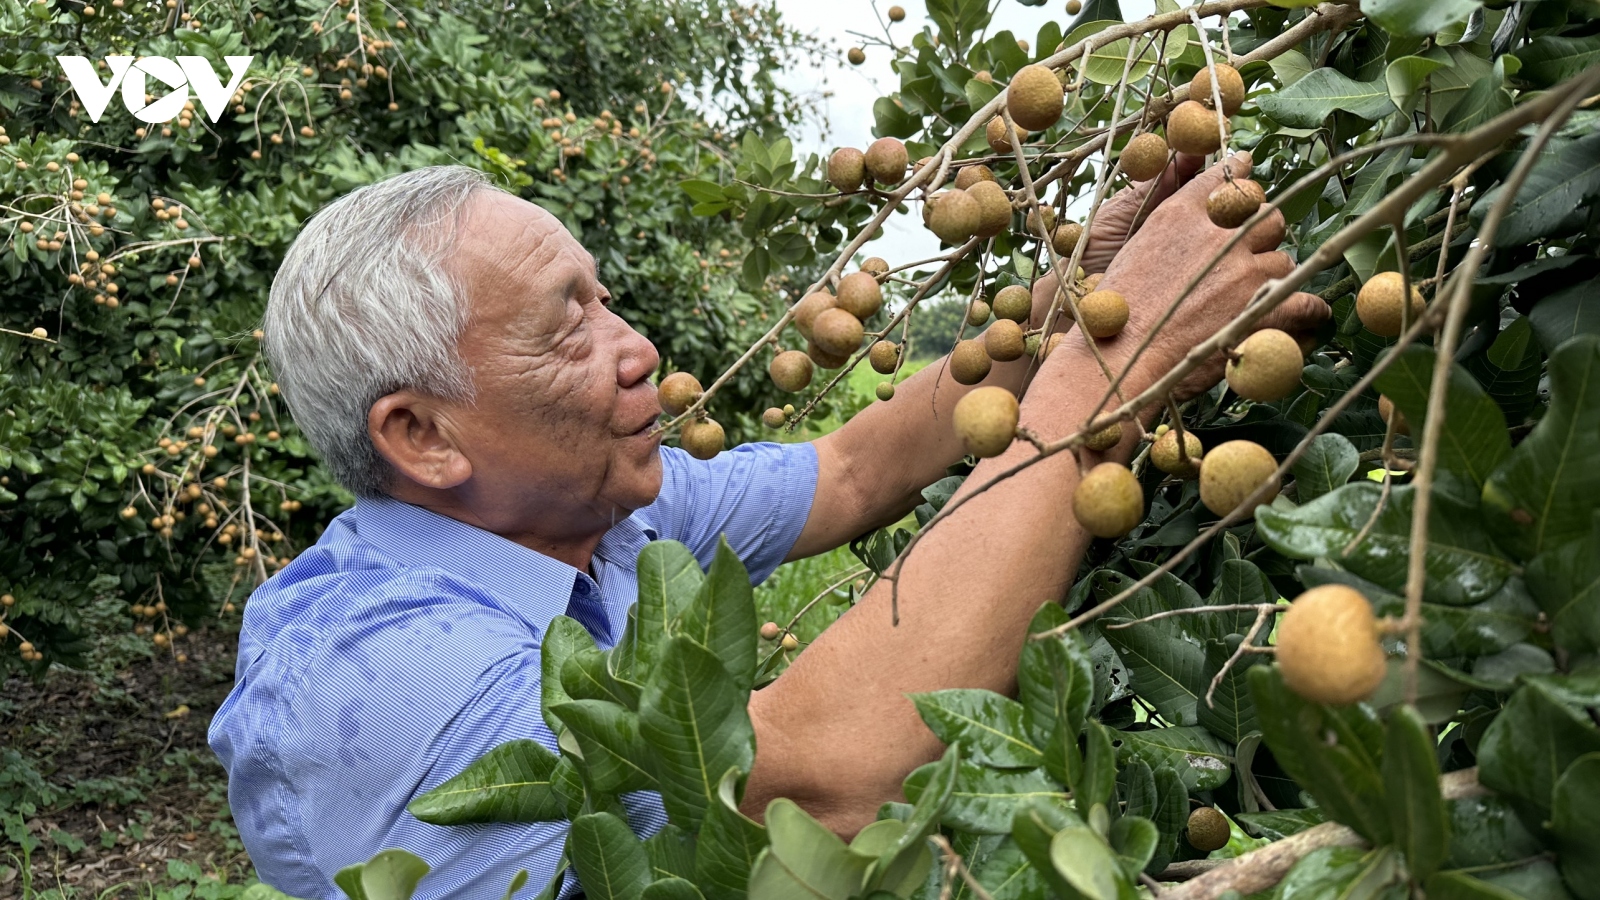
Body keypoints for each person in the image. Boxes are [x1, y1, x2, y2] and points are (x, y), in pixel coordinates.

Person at [208, 153, 1327, 899]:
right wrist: (1117, 360)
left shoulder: (596, 516)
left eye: (602, 299)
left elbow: (852, 468)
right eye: (566, 328)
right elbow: (825, 782)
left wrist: (1077, 299)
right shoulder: (378, 674)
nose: (638, 349)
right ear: (423, 436)